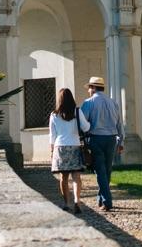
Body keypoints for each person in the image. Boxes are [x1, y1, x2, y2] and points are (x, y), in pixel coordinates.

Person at [80, 76, 123, 212]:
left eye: (89, 88)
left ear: (93, 88)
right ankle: (101, 198)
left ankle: (107, 201)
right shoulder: (113, 103)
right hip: (111, 139)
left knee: (100, 170)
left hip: (96, 138)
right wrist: (121, 141)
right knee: (107, 169)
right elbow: (119, 124)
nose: (88, 91)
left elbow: (83, 124)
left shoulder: (88, 103)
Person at [48, 88, 91, 213]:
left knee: (63, 177)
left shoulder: (53, 115)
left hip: (60, 147)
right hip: (74, 145)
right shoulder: (77, 112)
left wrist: (51, 151)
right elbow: (86, 127)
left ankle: (66, 203)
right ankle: (77, 201)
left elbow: (52, 135)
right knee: (76, 176)